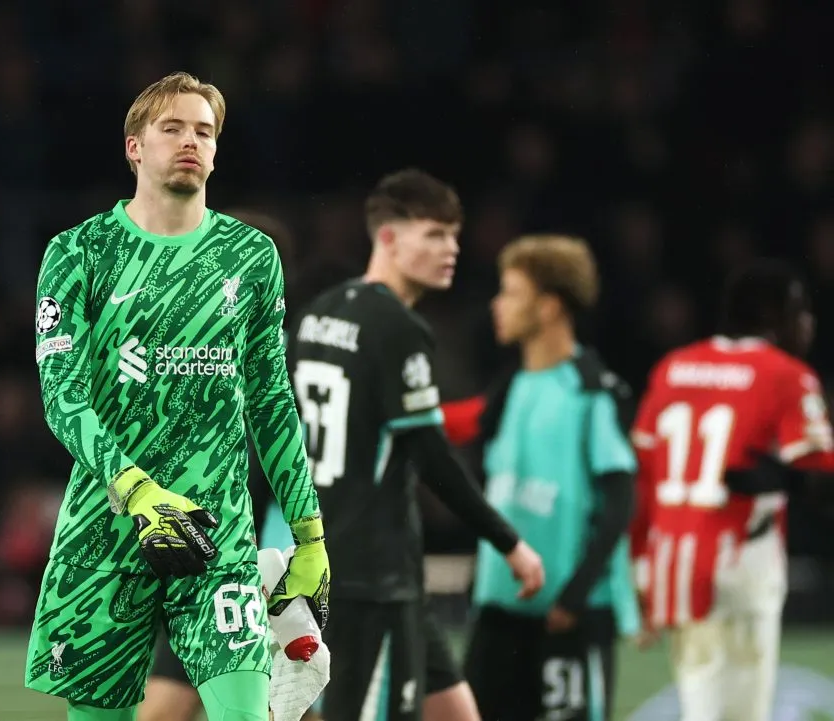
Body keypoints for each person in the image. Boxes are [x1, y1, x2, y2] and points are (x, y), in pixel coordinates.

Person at [25, 72, 331, 721]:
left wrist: (309, 533)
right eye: (173, 128)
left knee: (248, 713)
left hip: (215, 534)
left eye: (204, 130)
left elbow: (272, 400)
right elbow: (63, 397)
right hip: (106, 531)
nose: (191, 140)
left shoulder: (250, 255)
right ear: (134, 147)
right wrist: (137, 489)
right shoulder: (79, 251)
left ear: (217, 151)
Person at [287, 168, 546, 721]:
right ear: (388, 238)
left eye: (453, 234)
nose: (451, 249)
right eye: (433, 235)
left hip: (339, 557)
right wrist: (510, 543)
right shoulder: (397, 328)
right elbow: (432, 457)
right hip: (370, 575)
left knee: (456, 713)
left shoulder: (317, 315)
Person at [138, 210, 339, 721]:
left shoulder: (259, 358)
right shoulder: (273, 351)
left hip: (247, 548)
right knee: (288, 700)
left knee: (184, 703)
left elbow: (260, 453)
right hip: (249, 545)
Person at [441, 234, 640, 721]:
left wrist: (575, 596)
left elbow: (619, 502)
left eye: (510, 291)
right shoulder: (509, 388)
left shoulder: (592, 390)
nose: (497, 304)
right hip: (498, 610)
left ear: (549, 306)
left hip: (567, 615)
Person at [629, 260, 834, 721]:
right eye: (800, 311)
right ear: (775, 315)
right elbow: (821, 472)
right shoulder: (786, 374)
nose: (808, 323)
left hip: (673, 562)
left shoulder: (673, 367)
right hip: (740, 558)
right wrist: (788, 478)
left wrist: (638, 569)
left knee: (701, 702)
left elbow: (640, 476)